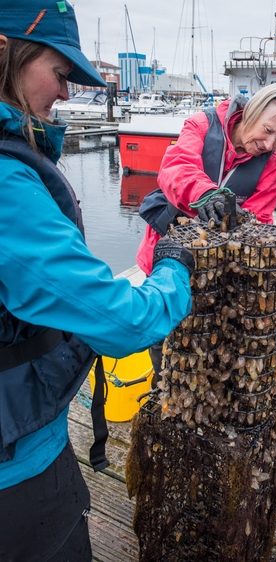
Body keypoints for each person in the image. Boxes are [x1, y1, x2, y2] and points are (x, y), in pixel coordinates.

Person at [0, 1, 195, 560]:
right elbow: (121, 320)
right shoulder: (9, 184)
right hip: (19, 470)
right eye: (60, 74)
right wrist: (175, 268)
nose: (66, 94)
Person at [136, 82, 276, 384]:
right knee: (161, 334)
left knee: (207, 341)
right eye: (268, 130)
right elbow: (176, 167)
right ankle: (161, 383)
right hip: (168, 255)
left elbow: (260, 221)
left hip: (219, 273)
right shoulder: (203, 124)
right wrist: (206, 194)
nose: (269, 144)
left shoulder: (269, 166)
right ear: (253, 110)